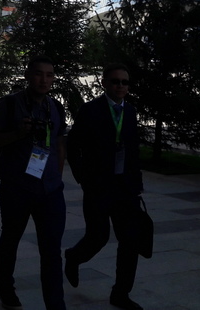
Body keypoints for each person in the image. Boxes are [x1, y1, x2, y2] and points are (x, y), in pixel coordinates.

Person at [0, 56, 67, 310]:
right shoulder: (10, 104)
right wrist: (17, 133)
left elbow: (60, 143)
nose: (44, 80)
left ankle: (56, 305)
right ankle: (6, 288)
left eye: (49, 75)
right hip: (17, 186)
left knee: (51, 250)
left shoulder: (56, 106)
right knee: (11, 239)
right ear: (28, 75)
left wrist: (58, 174)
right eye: (39, 74)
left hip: (50, 190)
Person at [65, 64, 144, 310]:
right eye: (115, 81)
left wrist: (137, 183)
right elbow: (72, 144)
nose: (120, 86)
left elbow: (132, 150)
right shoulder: (90, 110)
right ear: (104, 83)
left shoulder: (130, 111)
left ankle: (121, 293)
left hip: (125, 187)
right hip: (98, 186)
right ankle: (74, 257)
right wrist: (82, 177)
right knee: (98, 237)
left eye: (124, 82)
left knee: (130, 241)